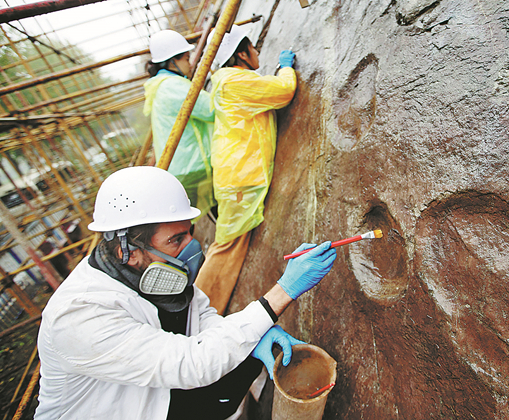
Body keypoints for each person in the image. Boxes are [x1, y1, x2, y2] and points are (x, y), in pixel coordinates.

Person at [34, 166, 336, 420]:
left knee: (247, 350)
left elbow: (202, 318)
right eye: (176, 240)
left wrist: (256, 337)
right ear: (128, 251)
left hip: (156, 396)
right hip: (124, 408)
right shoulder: (78, 315)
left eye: (189, 231)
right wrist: (282, 292)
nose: (192, 248)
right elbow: (191, 365)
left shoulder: (154, 276)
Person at [194, 27, 298, 314]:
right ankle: (201, 314)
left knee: (229, 243)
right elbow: (283, 91)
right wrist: (285, 69)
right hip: (240, 178)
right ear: (241, 54)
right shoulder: (234, 82)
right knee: (227, 246)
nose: (257, 52)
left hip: (237, 174)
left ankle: (203, 310)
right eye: (252, 47)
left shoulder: (228, 80)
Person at [143, 30, 215, 219]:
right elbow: (211, 110)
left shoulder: (161, 85)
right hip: (192, 166)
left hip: (183, 167)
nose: (190, 63)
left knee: (193, 217)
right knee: (214, 211)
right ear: (171, 62)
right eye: (186, 58)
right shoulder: (172, 87)